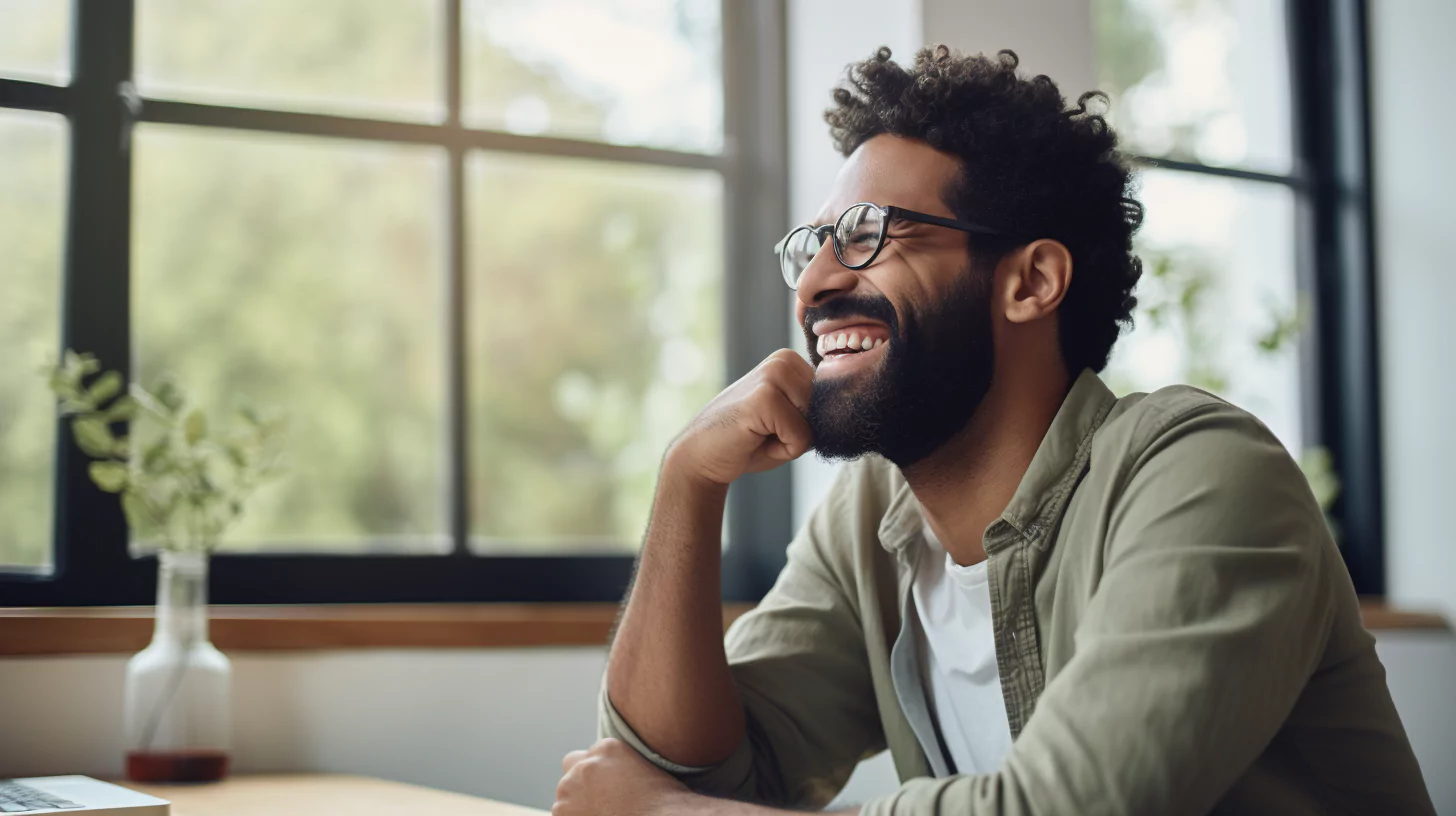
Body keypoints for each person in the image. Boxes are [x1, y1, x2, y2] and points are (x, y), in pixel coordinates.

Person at [552, 45, 1434, 815]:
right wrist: (687, 483)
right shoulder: (871, 517)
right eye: (813, 243)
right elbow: (681, 773)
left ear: (1030, 282)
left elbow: (1072, 808)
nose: (814, 282)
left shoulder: (1203, 473)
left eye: (865, 234)